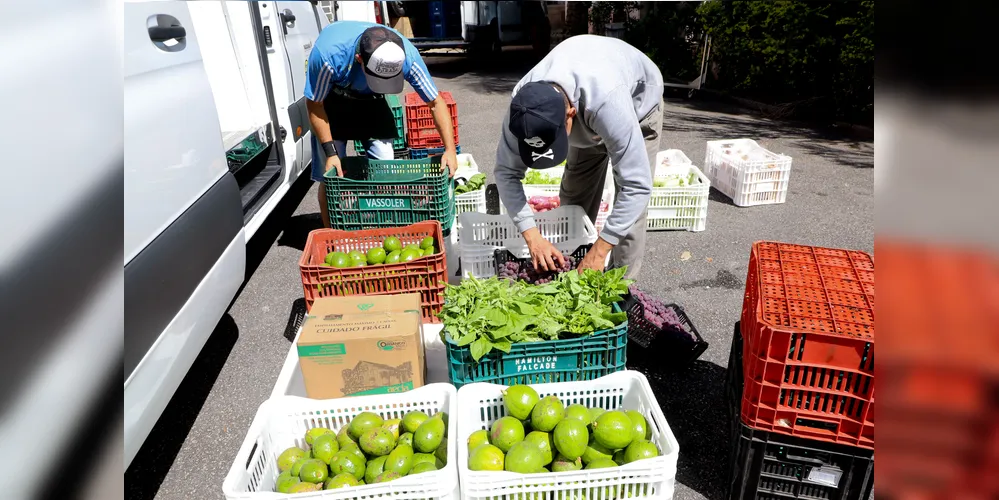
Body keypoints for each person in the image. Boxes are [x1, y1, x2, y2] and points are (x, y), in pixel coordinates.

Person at [494, 34, 664, 279]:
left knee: (630, 218)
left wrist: (600, 251)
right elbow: (506, 172)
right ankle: (571, 269)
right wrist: (531, 235)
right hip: (589, 105)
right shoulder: (521, 109)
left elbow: (637, 186)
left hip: (639, 104)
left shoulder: (606, 102)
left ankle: (621, 291)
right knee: (573, 201)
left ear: (570, 115)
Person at [305, 21, 458, 227]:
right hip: (332, 101)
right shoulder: (328, 56)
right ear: (360, 59)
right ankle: (332, 235)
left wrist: (450, 149)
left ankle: (381, 227)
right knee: (331, 177)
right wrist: (331, 153)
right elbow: (315, 105)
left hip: (372, 101)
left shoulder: (406, 56)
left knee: (386, 167)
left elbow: (435, 102)